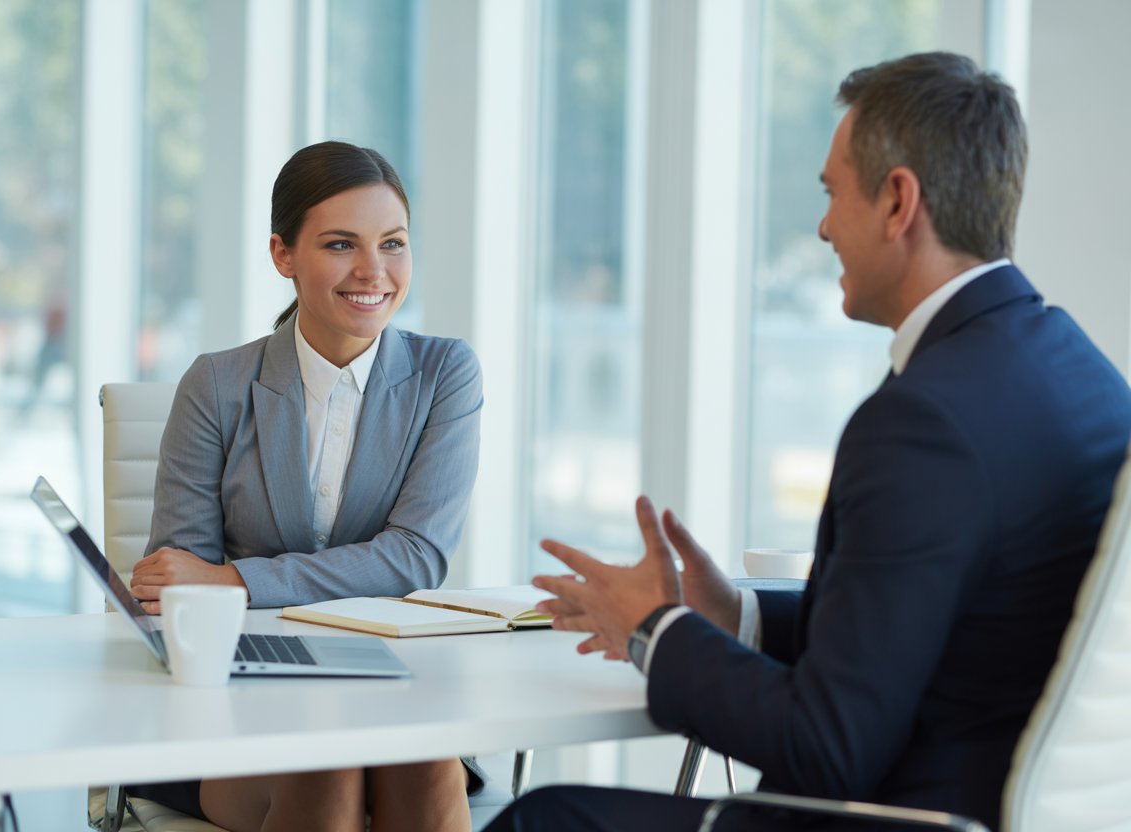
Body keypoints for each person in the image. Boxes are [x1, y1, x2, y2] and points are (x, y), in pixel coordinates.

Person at [487, 51, 1131, 832]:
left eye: (833, 194)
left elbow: (826, 747)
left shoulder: (923, 422)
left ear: (898, 202)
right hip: (993, 803)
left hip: (902, 817)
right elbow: (930, 620)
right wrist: (737, 616)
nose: (824, 226)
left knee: (544, 818)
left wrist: (655, 631)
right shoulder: (1082, 373)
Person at [126, 141, 481, 832]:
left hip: (386, 681)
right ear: (283, 255)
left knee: (426, 754)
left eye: (394, 244)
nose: (373, 271)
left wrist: (235, 580)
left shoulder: (445, 375)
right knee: (330, 762)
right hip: (238, 695)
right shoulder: (218, 384)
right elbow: (180, 585)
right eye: (341, 244)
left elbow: (415, 556)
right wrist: (212, 586)